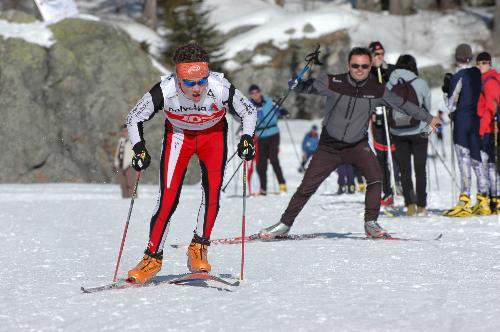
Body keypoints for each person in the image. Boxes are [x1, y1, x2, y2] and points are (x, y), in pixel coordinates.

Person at [258, 47, 440, 239]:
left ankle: (371, 223)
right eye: (355, 66)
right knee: (306, 187)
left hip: (357, 146)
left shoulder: (377, 90)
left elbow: (403, 104)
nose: (359, 69)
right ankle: (284, 224)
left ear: (370, 67)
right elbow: (309, 86)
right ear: (348, 65)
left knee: (376, 177)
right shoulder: (333, 82)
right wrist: (297, 84)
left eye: (364, 66)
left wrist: (428, 117)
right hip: (329, 147)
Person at [125, 42, 256, 283]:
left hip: (213, 136)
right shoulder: (165, 89)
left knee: (213, 193)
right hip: (179, 136)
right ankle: (152, 258)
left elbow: (248, 111)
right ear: (178, 78)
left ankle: (198, 247)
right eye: (189, 82)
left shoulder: (219, 86)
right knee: (167, 197)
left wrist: (247, 138)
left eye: (201, 81)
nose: (197, 88)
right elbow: (134, 117)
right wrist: (138, 147)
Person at [443, 43, 487, 217]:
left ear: (456, 58)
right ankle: (483, 200)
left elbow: (451, 105)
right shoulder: (477, 74)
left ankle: (464, 201)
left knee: (464, 161)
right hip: (475, 120)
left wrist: (446, 90)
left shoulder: (458, 76)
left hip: (461, 121)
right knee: (477, 159)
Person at [387, 54, 432, 216]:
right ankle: (422, 206)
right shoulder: (420, 83)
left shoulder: (390, 82)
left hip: (397, 131)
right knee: (420, 170)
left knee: (404, 170)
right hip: (419, 131)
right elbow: (427, 106)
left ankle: (410, 205)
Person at [368, 41, 400, 206]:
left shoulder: (390, 70)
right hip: (378, 120)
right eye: (376, 54)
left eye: (381, 53)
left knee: (396, 154)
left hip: (393, 118)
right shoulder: (367, 73)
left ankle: (400, 185)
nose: (379, 57)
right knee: (381, 157)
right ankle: (387, 191)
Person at [248, 84, 287, 195]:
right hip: (260, 136)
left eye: (256, 92)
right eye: (252, 93)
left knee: (274, 160)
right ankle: (263, 189)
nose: (255, 94)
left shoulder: (270, 101)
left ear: (260, 92)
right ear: (250, 95)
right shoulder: (248, 106)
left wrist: (282, 112)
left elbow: (282, 110)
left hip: (273, 134)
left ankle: (282, 185)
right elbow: (242, 117)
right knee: (261, 163)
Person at [476, 51, 500, 214]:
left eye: (484, 62)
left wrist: (482, 128)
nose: (481, 66)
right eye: (479, 63)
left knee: (490, 164)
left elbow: (491, 108)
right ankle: (493, 197)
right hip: (488, 127)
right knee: (490, 164)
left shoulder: (490, 80)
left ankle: (495, 198)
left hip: (490, 128)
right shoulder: (484, 79)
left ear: (489, 63)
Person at [114, 125, 136, 198]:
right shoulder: (121, 141)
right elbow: (118, 153)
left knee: (131, 185)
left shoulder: (134, 141)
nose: (125, 132)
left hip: (130, 166)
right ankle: (124, 201)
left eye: (127, 131)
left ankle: (132, 201)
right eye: (124, 131)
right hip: (120, 166)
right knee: (123, 185)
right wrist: (116, 163)